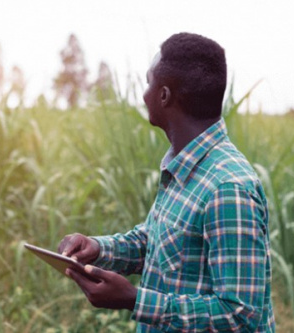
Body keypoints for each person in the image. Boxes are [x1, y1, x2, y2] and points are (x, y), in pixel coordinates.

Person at [58, 32, 275, 332]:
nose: (144, 94)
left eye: (148, 83)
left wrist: (135, 301)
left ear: (164, 96)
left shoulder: (228, 189)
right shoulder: (184, 164)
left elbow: (240, 315)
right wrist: (97, 249)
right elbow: (160, 243)